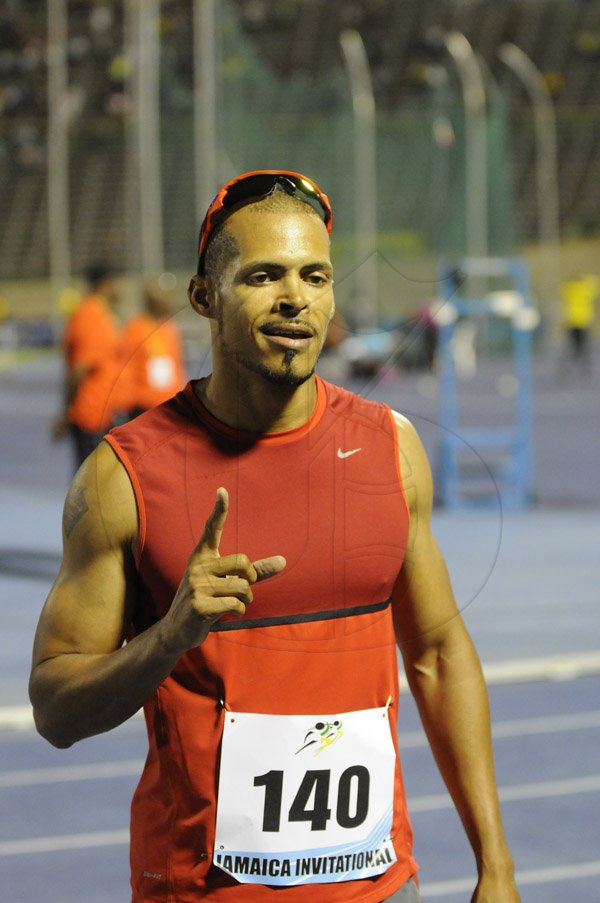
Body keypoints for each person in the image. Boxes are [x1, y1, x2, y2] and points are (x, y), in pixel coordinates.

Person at [30, 170, 520, 903]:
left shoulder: (392, 448)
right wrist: (168, 637)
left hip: (379, 888)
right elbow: (55, 708)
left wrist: (497, 866)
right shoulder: (122, 477)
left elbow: (440, 657)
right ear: (205, 297)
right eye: (263, 275)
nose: (296, 297)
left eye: (315, 275)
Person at [52, 262, 123, 470]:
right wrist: (67, 411)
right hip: (91, 415)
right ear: (106, 284)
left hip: (104, 411)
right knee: (92, 484)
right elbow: (79, 370)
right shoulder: (89, 316)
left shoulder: (101, 313)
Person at [119, 283, 187, 419]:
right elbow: (125, 367)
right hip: (143, 405)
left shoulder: (170, 328)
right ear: (150, 302)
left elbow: (177, 364)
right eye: (161, 298)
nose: (166, 302)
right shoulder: (135, 328)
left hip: (171, 403)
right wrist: (127, 400)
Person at [560, 272, 598, 377]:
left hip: (571, 321)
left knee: (572, 347)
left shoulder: (569, 288)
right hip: (584, 321)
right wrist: (586, 278)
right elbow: (595, 283)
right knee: (585, 347)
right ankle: (585, 369)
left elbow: (563, 290)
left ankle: (566, 368)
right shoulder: (585, 288)